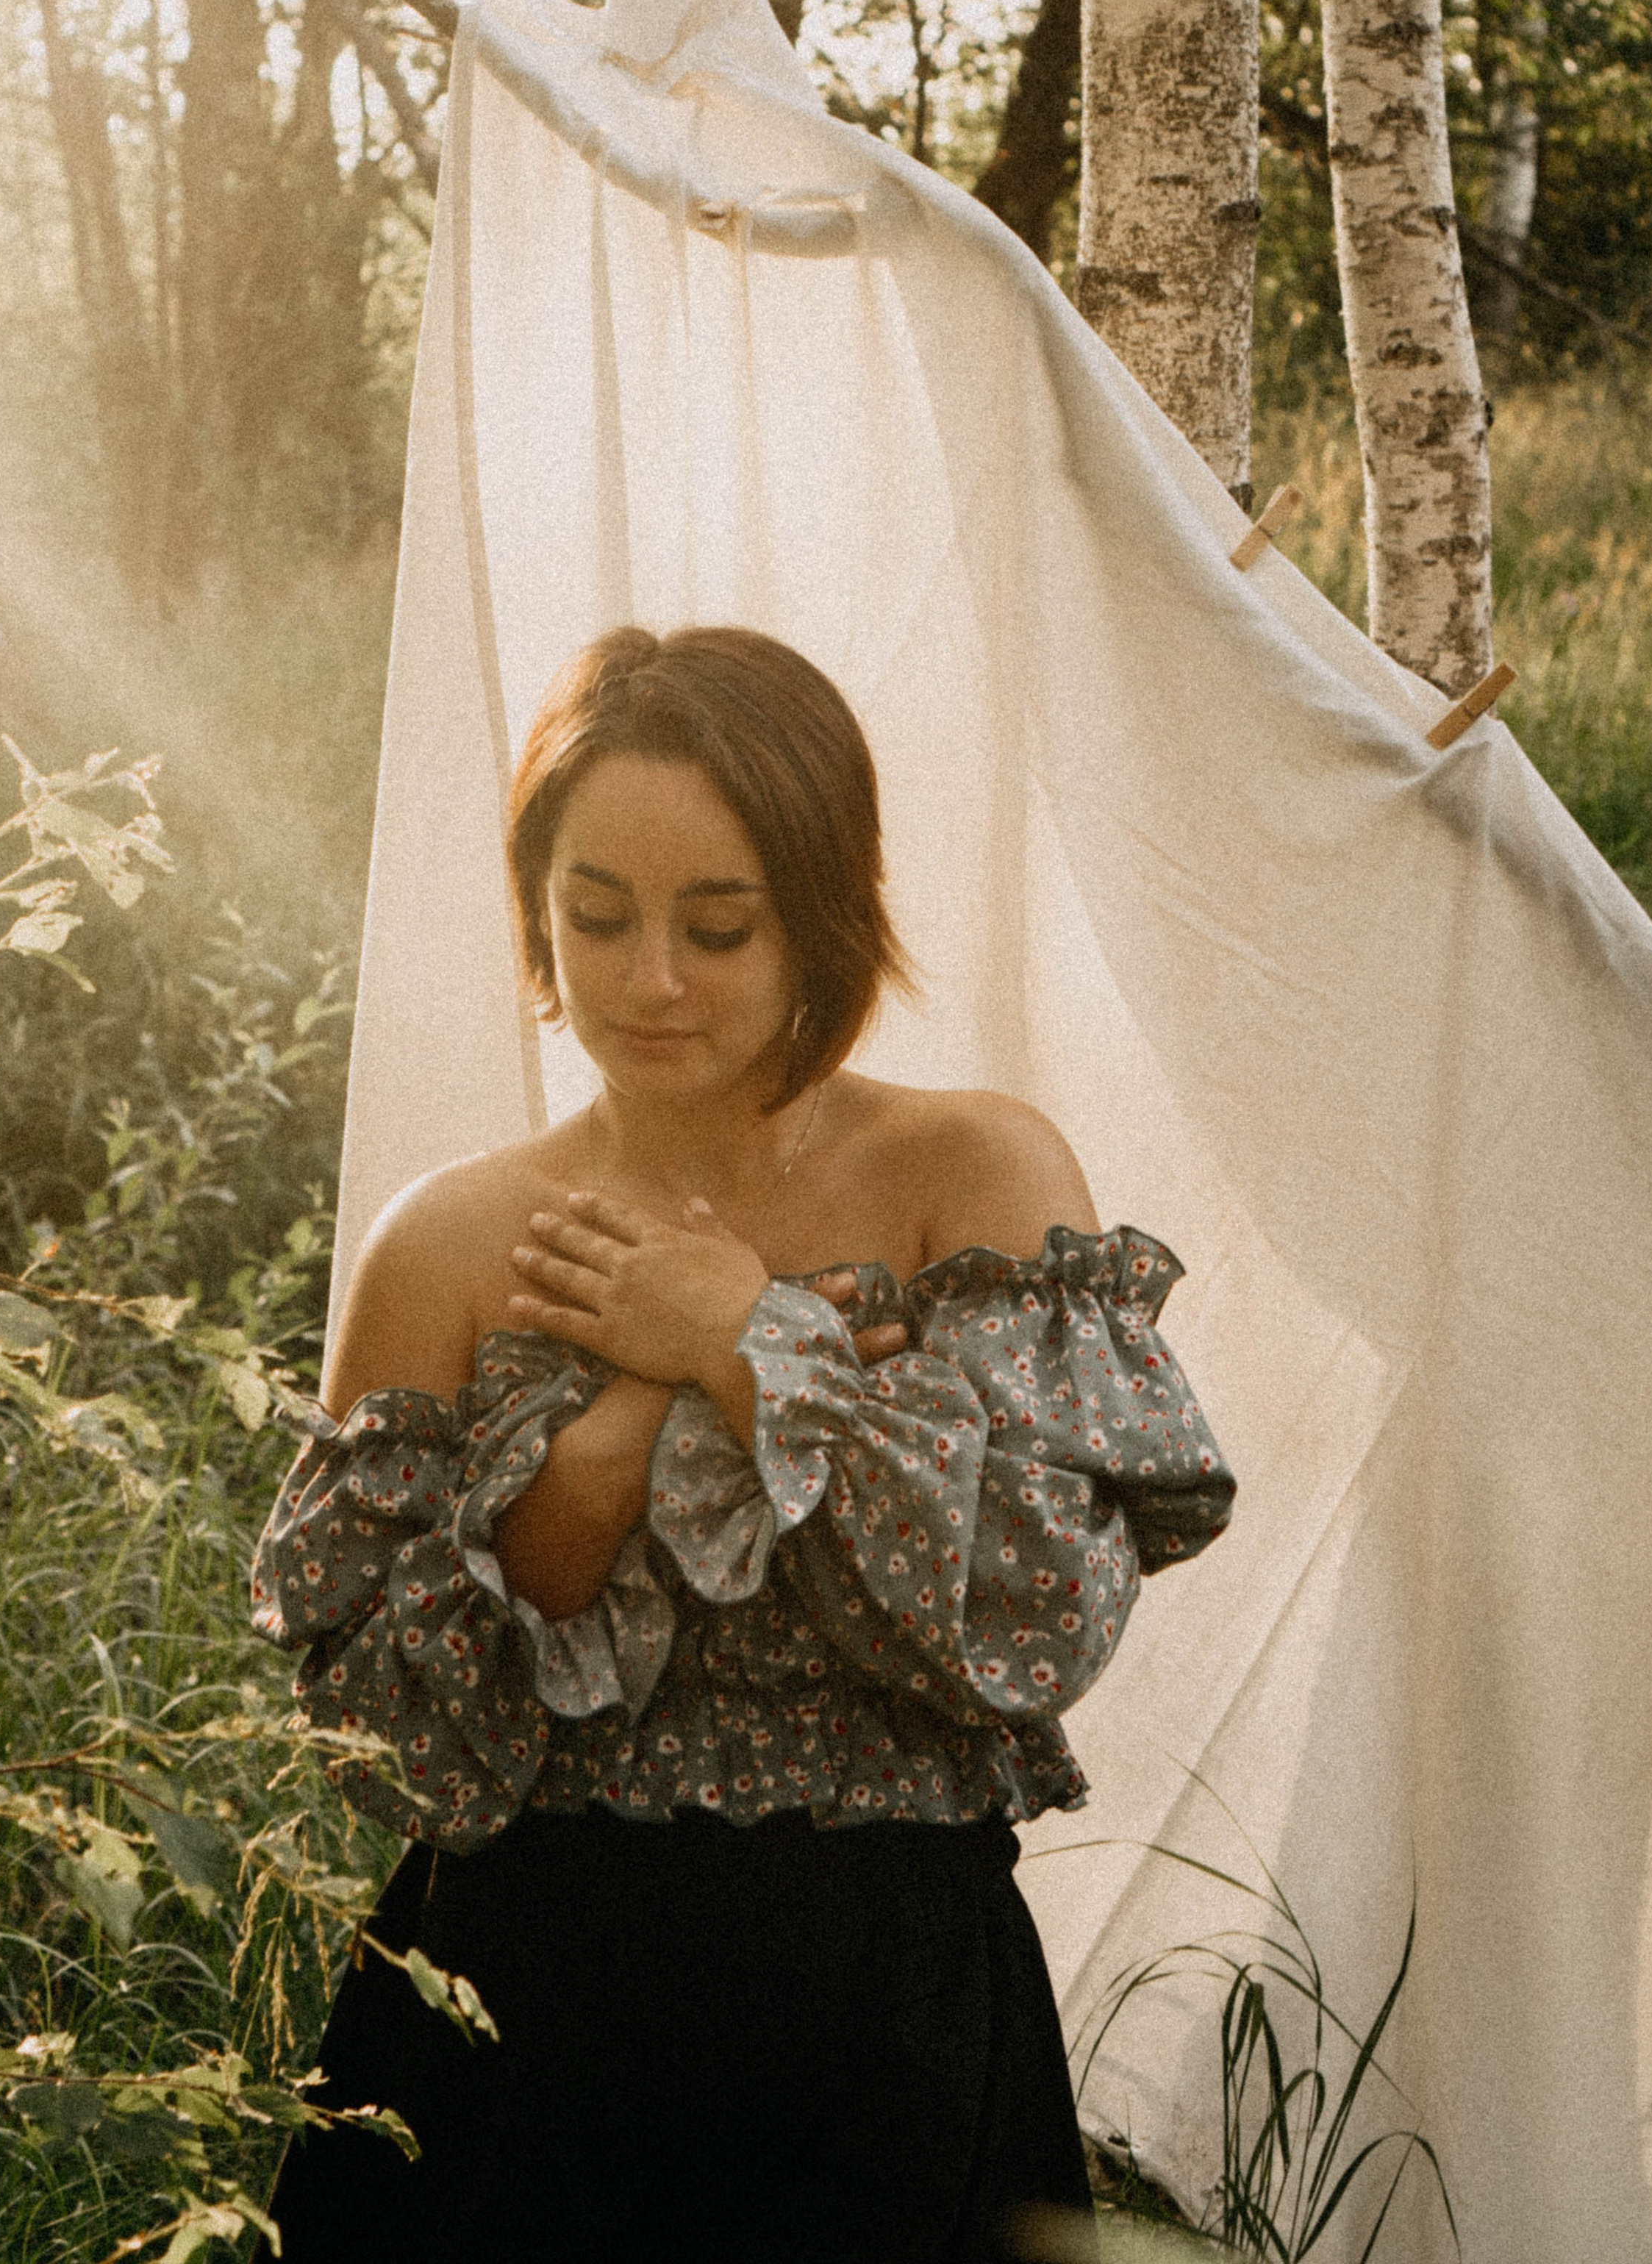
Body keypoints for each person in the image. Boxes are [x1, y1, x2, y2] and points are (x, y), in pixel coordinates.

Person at [250, 624, 1236, 2264]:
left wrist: (743, 1347)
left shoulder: (968, 1181)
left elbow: (1026, 1622)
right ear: (532, 908)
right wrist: (610, 1441)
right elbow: (390, 1738)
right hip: (517, 2016)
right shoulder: (447, 1244)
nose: (647, 981)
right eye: (596, 914)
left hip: (882, 2011)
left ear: (823, 914)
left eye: (718, 926)